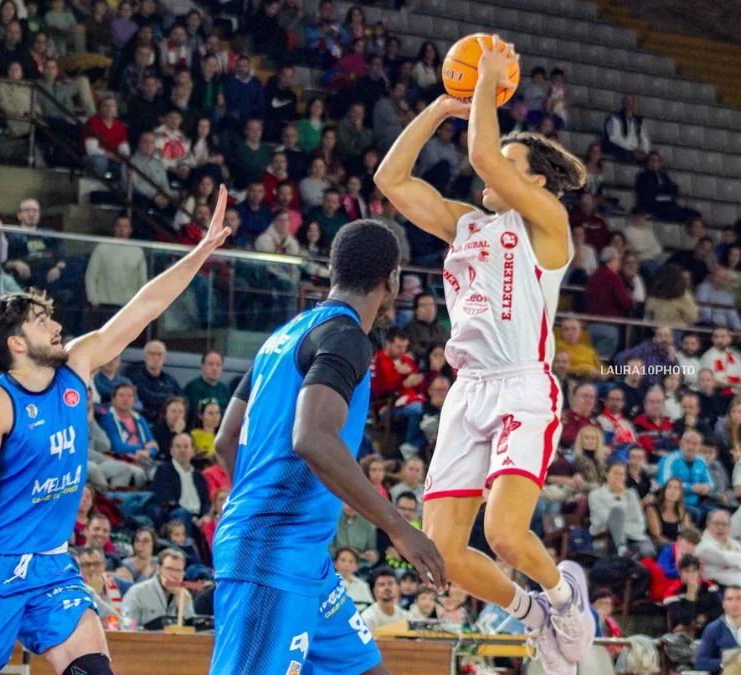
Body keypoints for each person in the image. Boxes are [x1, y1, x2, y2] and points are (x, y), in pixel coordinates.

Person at [0, 187, 232, 674]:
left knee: (93, 668)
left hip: (51, 567)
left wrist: (200, 252)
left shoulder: (75, 367)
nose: (55, 326)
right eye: (42, 321)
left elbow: (143, 307)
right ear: (17, 343)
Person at [375, 36, 593, 669]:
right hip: (469, 390)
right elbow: (391, 180)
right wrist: (439, 109)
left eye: (507, 159)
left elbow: (481, 152)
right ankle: (534, 618)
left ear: (535, 179)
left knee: (502, 533)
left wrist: (491, 80)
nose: (489, 164)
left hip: (524, 385)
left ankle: (565, 594)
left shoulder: (548, 223)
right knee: (441, 553)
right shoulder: (466, 222)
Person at [209, 220, 444, 673]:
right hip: (274, 552)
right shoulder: (347, 336)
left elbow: (225, 440)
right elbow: (312, 437)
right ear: (391, 280)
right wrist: (398, 526)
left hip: (305, 558)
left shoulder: (283, 336)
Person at [121, 549, 193, 630]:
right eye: (169, 569)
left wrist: (181, 598)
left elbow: (192, 629)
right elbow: (126, 628)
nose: (174, 575)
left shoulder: (184, 594)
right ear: (159, 569)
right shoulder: (137, 592)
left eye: (178, 570)